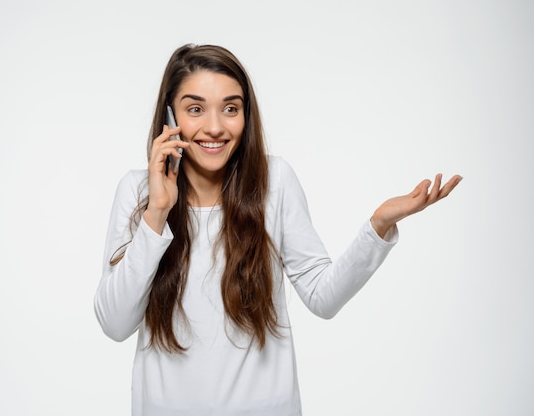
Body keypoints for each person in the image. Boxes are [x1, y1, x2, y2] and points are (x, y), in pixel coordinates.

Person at [94, 44, 462, 416]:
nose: (216, 127)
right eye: (195, 109)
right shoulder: (138, 192)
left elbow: (323, 296)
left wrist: (379, 226)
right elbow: (115, 323)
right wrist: (157, 212)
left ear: (246, 115)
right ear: (169, 117)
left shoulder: (275, 182)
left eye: (231, 109)